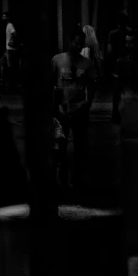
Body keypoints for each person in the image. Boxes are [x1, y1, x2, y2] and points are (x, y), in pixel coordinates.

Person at [52, 31, 95, 189]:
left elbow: (91, 86)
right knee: (60, 146)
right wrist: (55, 106)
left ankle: (76, 178)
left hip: (79, 108)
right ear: (70, 42)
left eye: (80, 44)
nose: (77, 46)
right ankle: (62, 174)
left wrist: (86, 103)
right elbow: (51, 83)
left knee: (79, 145)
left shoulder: (87, 63)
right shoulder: (57, 60)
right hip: (62, 109)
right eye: (75, 43)